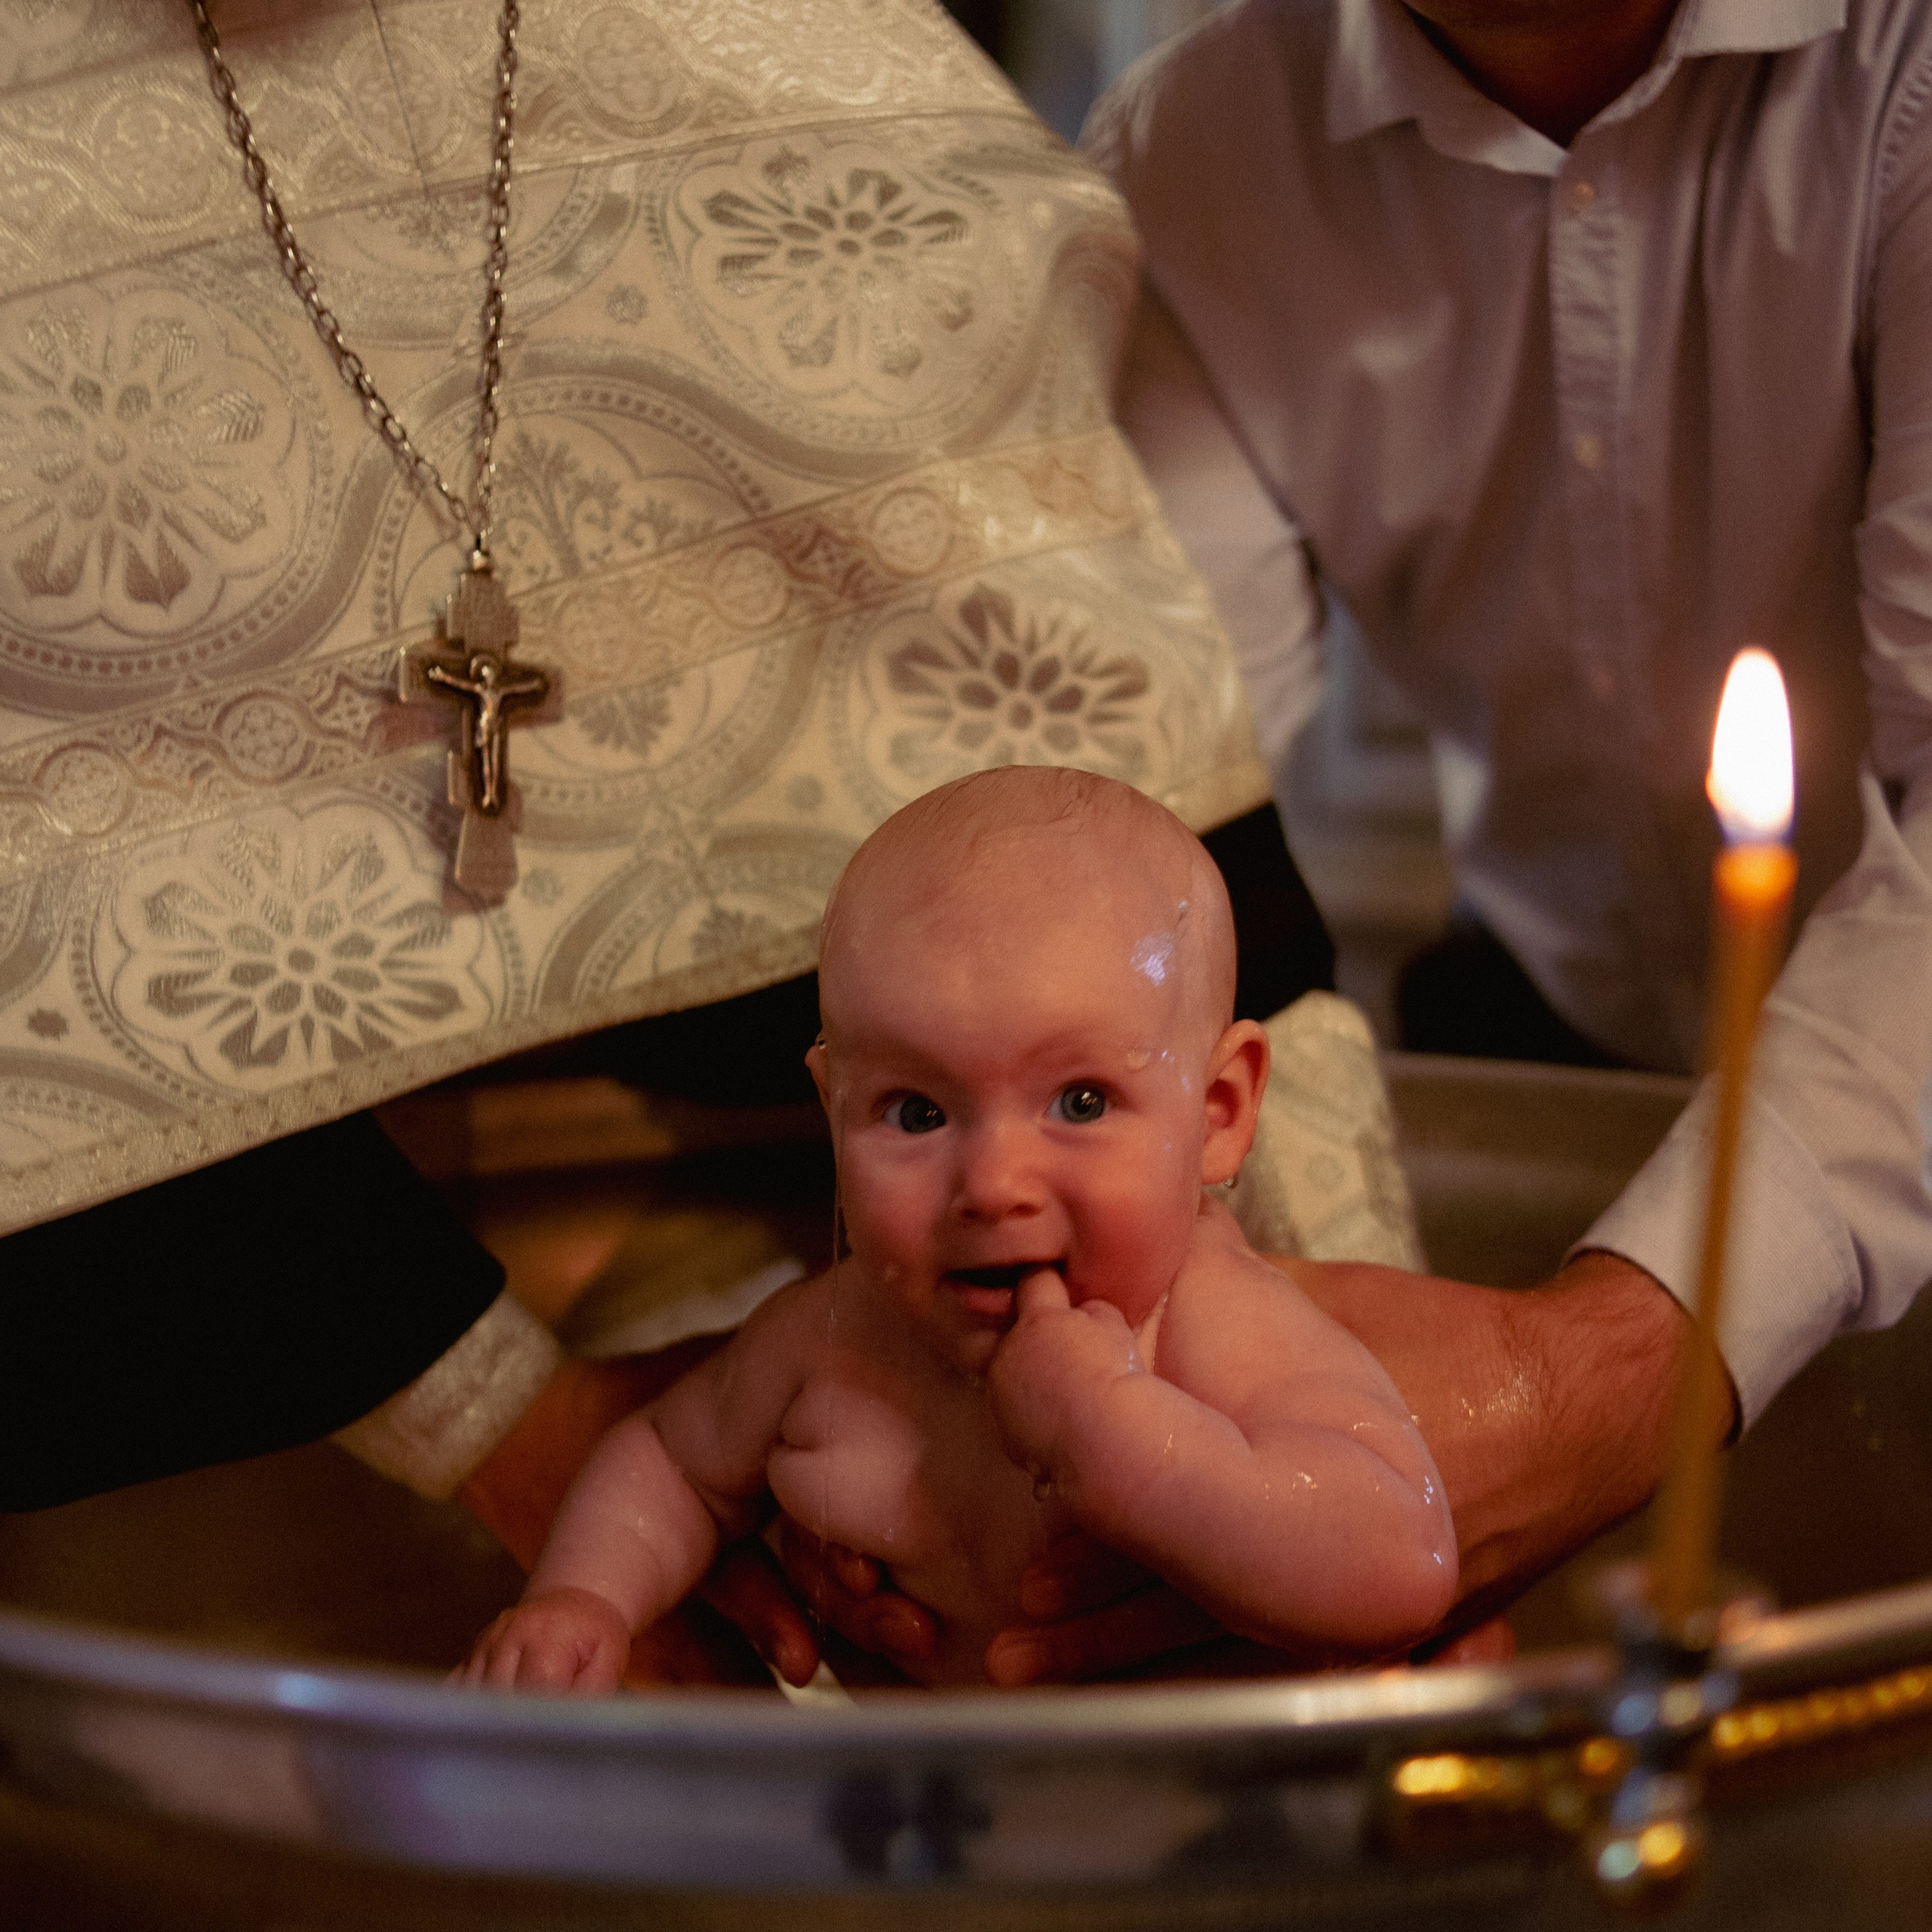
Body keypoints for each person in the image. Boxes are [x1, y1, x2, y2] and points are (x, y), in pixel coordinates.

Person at [0, 0, 1324, 1586]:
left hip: (861, 1276)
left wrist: (1324, 1369)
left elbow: (1135, 836)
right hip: (195, 1490)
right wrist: (510, 1426)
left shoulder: (803, 66)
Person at [897, 0, 1932, 1683]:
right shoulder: (1201, 152)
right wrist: (1202, 1384)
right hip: (1556, 1025)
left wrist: (1603, 1375)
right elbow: (1152, 814)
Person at [459, 768, 1454, 1690]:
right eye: (917, 1114)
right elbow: (673, 1464)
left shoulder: (1215, 1329)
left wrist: (1117, 1435)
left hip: (1223, 1840)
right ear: (833, 1109)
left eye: (1080, 1100)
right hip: (929, 1836)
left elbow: (1401, 1566)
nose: (991, 1184)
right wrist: (586, 1597)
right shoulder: (831, 1342)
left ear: (1220, 1113)